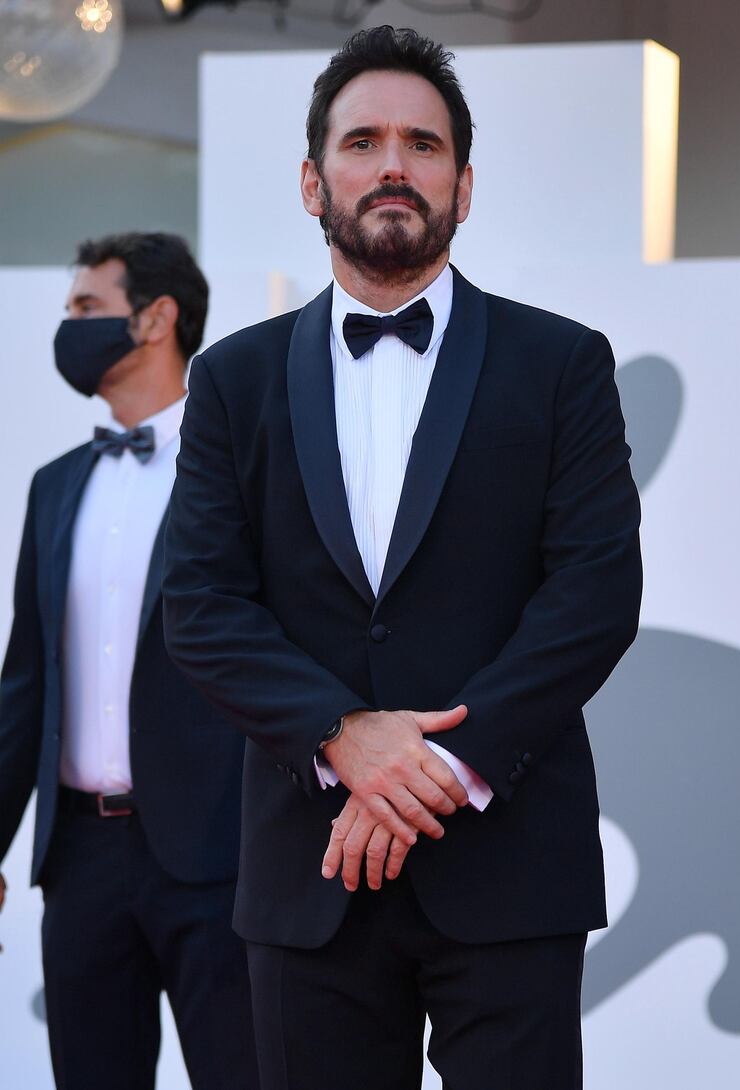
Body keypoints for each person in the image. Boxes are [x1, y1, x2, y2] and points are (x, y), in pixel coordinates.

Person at [163, 27, 642, 1090]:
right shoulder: (232, 380)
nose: (392, 165)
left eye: (422, 145)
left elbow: (594, 590)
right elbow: (200, 603)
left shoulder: (559, 362)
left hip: (508, 864)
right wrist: (341, 737)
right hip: (309, 868)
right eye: (363, 141)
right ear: (311, 179)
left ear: (462, 186)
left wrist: (438, 768)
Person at [0, 232, 259, 1090]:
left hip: (217, 856)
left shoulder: (240, 467)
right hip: (80, 861)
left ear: (156, 319)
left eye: (85, 308)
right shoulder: (56, 484)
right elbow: (26, 684)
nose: (69, 327)